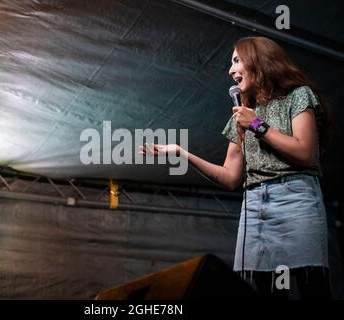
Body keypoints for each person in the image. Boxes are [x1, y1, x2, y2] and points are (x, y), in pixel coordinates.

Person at [139, 36, 333, 299]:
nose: (231, 70)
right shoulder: (242, 114)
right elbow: (230, 177)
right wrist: (182, 154)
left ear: (259, 60)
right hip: (254, 205)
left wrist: (257, 125)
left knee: (311, 288)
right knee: (265, 291)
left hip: (295, 198)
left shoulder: (297, 96)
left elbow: (305, 153)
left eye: (236, 60)